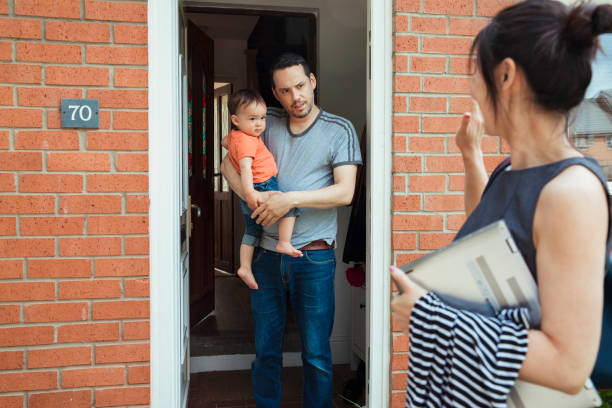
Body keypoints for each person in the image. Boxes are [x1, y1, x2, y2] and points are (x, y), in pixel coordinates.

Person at [390, 0, 612, 406]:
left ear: (506, 74)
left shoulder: (571, 193)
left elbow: (568, 364)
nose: (472, 85)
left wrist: (427, 316)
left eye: (476, 71)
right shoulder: (510, 169)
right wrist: (470, 156)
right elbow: (489, 238)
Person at [220, 53, 361, 407]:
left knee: (315, 354)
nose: (295, 96)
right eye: (284, 91)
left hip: (313, 257)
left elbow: (345, 193)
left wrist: (287, 200)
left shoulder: (339, 129)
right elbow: (227, 162)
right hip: (266, 256)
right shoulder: (264, 123)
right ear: (274, 93)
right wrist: (254, 200)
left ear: (312, 81)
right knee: (266, 349)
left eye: (300, 86)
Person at [224, 88, 302, 290]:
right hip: (261, 186)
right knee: (290, 206)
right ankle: (284, 242)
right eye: (252, 118)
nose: (259, 124)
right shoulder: (248, 141)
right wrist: (251, 194)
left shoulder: (235, 136)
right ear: (235, 119)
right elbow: (245, 170)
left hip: (255, 188)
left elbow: (225, 142)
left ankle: (245, 267)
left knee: (252, 230)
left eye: (262, 118)